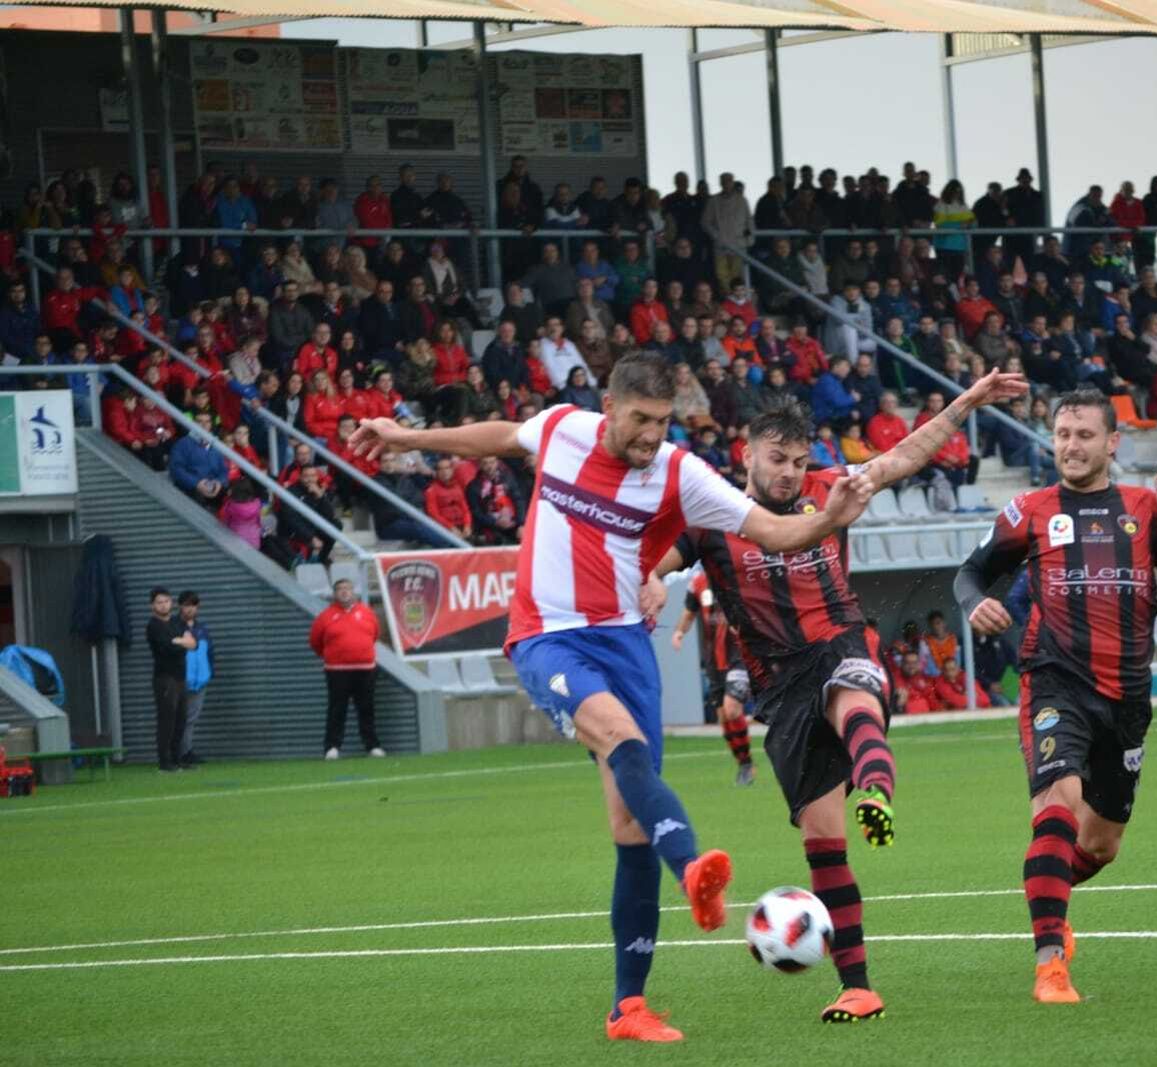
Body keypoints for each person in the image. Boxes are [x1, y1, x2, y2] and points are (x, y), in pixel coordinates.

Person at [346, 353, 877, 1043]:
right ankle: (692, 868)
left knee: (630, 827)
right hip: (549, 637)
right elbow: (501, 435)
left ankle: (629, 1006)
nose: (651, 435)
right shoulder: (563, 428)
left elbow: (773, 529)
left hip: (626, 643)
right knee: (621, 742)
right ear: (609, 405)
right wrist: (408, 437)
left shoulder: (681, 472)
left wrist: (827, 518)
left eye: (662, 421)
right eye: (640, 420)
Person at [653, 367, 1028, 1024]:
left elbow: (905, 456)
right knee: (824, 843)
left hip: (840, 642)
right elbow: (651, 563)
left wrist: (965, 400)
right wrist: (649, 584)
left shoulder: (832, 488)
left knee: (852, 697)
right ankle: (859, 985)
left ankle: (877, 789)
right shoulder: (711, 515)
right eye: (777, 459)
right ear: (747, 452)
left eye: (799, 460)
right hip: (779, 691)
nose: (790, 472)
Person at [953, 388, 1157, 1005]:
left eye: (1084, 435)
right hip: (1054, 682)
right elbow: (969, 573)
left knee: (1101, 845)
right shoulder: (1031, 509)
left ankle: (1052, 896)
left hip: (1127, 697)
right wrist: (974, 602)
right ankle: (1050, 965)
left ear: (1111, 443)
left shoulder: (1144, 508)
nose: (1070, 446)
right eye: (1062, 434)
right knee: (1056, 805)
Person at [670, 571, 755, 785]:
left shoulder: (739, 575)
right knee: (723, 717)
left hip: (739, 656)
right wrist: (679, 632)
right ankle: (744, 763)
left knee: (731, 708)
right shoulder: (699, 582)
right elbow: (690, 612)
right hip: (714, 662)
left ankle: (748, 766)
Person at [309, 579, 384, 760]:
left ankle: (372, 746)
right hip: (337, 671)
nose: (344, 592)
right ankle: (332, 747)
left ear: (353, 592)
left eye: (347, 589)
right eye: (340, 589)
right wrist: (333, 656)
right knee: (337, 709)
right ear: (334, 594)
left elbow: (375, 634)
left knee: (366, 708)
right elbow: (315, 642)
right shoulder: (325, 616)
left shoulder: (367, 613)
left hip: (365, 669)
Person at [146, 587, 196, 772]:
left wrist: (179, 641)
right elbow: (166, 648)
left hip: (181, 677)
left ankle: (177, 758)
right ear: (152, 605)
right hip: (165, 679)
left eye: (166, 601)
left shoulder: (177, 623)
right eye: (159, 602)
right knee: (166, 720)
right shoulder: (153, 626)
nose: (164, 605)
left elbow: (192, 643)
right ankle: (164, 762)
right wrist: (179, 642)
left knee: (180, 719)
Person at [177, 591, 213, 768]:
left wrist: (209, 673)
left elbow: (209, 653)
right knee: (180, 717)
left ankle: (187, 750)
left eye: (193, 605)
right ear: (180, 606)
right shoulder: (175, 626)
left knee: (191, 718)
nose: (189, 609)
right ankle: (179, 752)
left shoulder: (202, 629)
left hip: (201, 680)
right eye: (186, 605)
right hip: (181, 679)